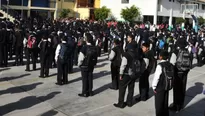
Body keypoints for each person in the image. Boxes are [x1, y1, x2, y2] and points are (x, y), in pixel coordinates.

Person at [113, 35, 138, 108]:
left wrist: (120, 74)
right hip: (133, 73)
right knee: (131, 89)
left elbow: (123, 65)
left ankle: (121, 103)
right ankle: (129, 102)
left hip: (126, 74)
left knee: (122, 89)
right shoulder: (136, 54)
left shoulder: (126, 55)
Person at [152, 51, 173, 116]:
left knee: (159, 104)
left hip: (160, 87)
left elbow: (156, 78)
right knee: (165, 103)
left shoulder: (160, 65)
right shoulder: (170, 64)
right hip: (167, 86)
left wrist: (154, 87)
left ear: (161, 57)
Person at [78, 33, 98, 97]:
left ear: (86, 40)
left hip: (84, 65)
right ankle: (90, 91)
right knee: (90, 78)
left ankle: (84, 92)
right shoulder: (94, 47)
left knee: (84, 79)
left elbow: (81, 58)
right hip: (91, 65)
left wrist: (79, 64)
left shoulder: (84, 48)